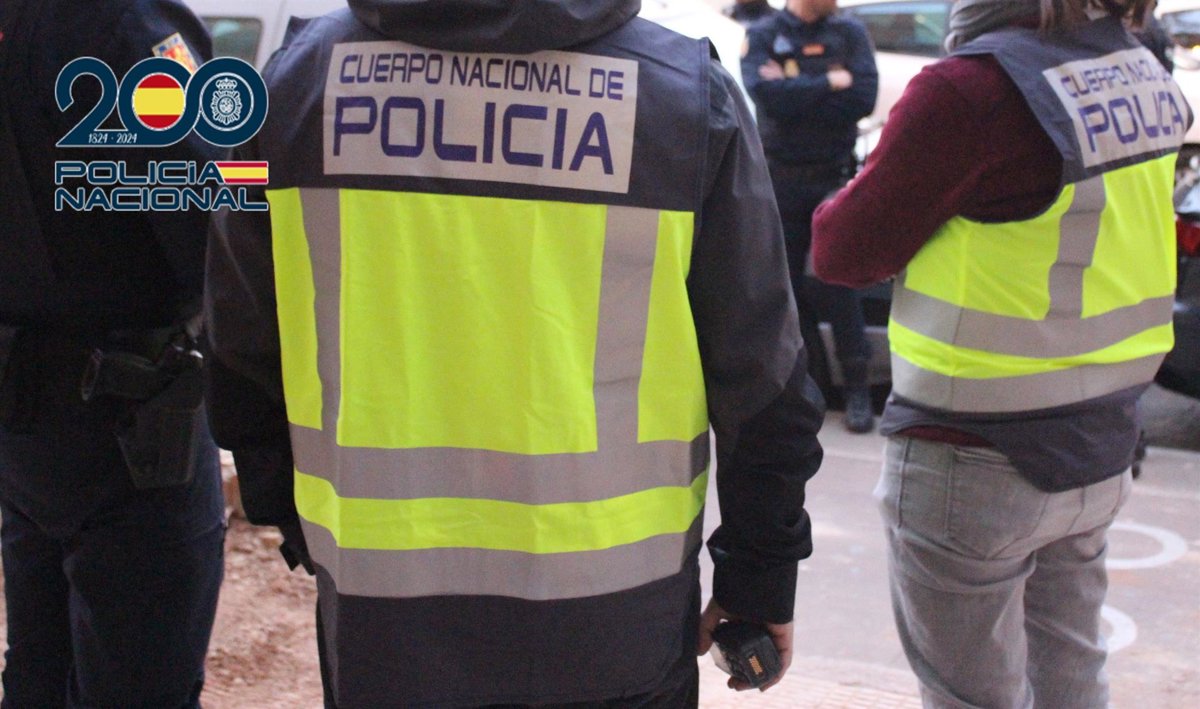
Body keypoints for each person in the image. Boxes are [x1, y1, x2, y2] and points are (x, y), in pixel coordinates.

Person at [204, 0, 826, 707]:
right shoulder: (683, 96)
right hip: (615, 627)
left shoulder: (295, 85)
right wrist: (759, 575)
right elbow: (764, 376)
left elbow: (239, 332)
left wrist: (284, 508)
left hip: (384, 625)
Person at [812, 0, 1189, 705]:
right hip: (1099, 443)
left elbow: (842, 251)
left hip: (974, 456)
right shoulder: (1135, 65)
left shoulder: (971, 90)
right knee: (1073, 674)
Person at [0, 0, 226, 706]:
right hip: (132, 433)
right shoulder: (120, 23)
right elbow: (217, 226)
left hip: (27, 428)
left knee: (39, 671)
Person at [741, 0, 879, 433]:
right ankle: (810, 385)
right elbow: (766, 98)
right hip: (781, 181)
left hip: (832, 180)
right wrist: (829, 83)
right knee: (788, 291)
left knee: (837, 281)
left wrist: (795, 87)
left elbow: (862, 99)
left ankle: (857, 387)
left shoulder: (849, 33)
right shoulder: (765, 34)